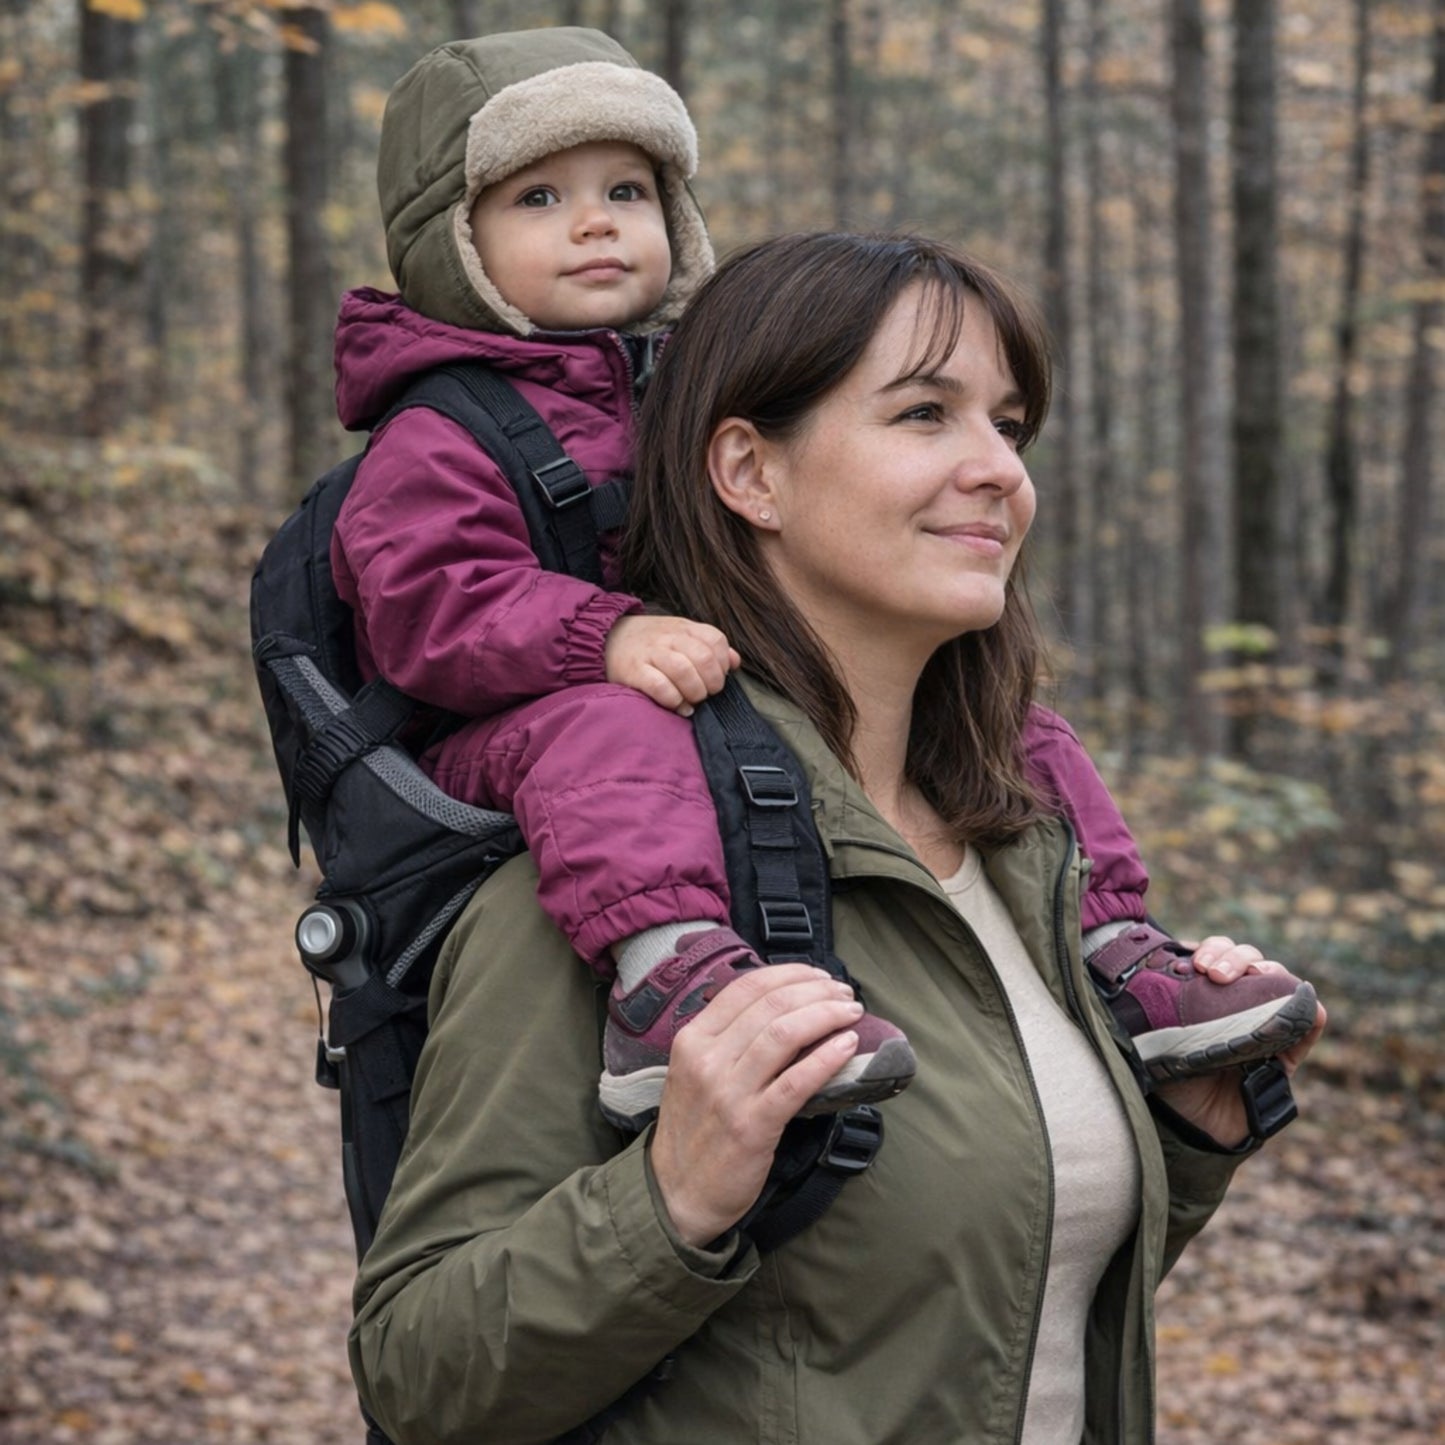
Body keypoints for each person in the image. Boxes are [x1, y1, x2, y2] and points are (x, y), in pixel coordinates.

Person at [347, 231, 1326, 1444]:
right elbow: (419, 1370)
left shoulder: (1030, 852)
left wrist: (1188, 1134)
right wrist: (668, 1200)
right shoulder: (622, 879)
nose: (996, 471)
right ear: (749, 472)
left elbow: (955, 1310)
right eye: (923, 414)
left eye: (1008, 426)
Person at [331, 26, 1315, 1133]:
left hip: (654, 696)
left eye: (624, 189)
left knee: (1023, 730)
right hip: (503, 732)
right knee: (607, 729)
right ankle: (666, 976)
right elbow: (424, 606)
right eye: (538, 200)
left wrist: (1198, 1131)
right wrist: (601, 638)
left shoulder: (651, 384)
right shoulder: (441, 427)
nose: (596, 221)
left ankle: (1118, 950)